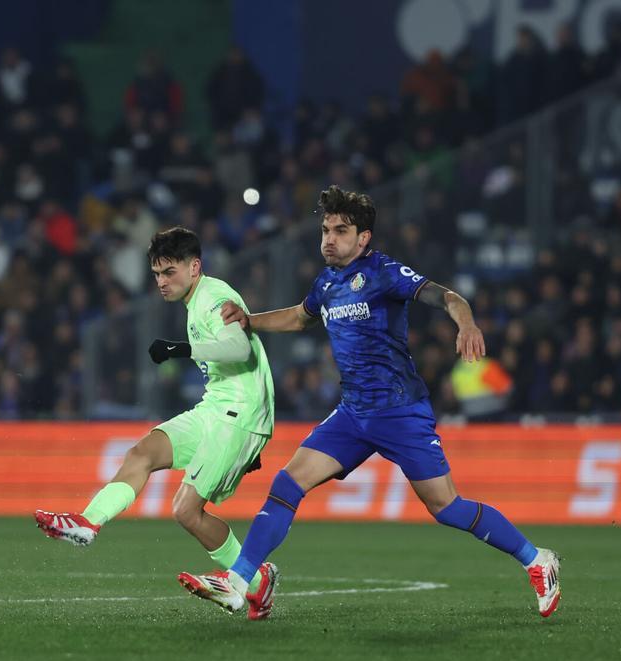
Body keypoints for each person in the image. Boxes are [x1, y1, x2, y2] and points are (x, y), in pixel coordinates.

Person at [177, 187, 562, 618]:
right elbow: (299, 317)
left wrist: (467, 323)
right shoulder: (326, 282)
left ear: (363, 238)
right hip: (353, 414)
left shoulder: (383, 272)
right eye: (325, 229)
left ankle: (537, 559)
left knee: (446, 507)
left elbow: (449, 297)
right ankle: (240, 581)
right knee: (287, 484)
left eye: (340, 230)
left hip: (400, 411)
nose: (328, 238)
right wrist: (251, 321)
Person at [34, 226, 279, 619]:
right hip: (216, 407)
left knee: (186, 510)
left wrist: (182, 349)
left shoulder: (215, 296)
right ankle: (87, 523)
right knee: (142, 452)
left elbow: (239, 346)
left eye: (170, 272)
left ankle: (254, 577)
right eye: (157, 274)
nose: (162, 282)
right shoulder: (195, 302)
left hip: (240, 413)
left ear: (194, 267)